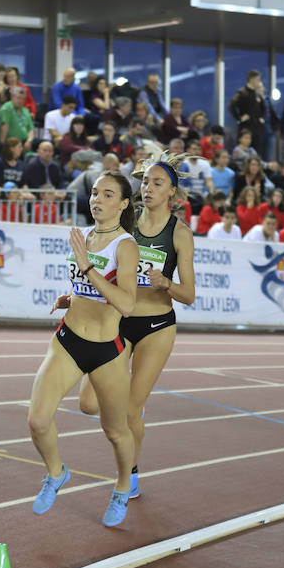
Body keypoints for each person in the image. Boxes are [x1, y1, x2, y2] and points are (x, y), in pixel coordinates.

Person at [76, 153, 196, 502]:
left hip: (156, 326)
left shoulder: (180, 234)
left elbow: (188, 294)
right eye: (145, 182)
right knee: (87, 404)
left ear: (172, 192)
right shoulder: (123, 227)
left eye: (157, 184)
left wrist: (165, 283)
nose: (148, 189)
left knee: (127, 414)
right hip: (117, 321)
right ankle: (134, 405)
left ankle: (128, 474)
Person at [29, 171, 138, 527]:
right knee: (38, 419)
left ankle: (122, 487)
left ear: (123, 204)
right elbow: (86, 285)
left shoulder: (125, 246)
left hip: (107, 349)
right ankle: (56, 473)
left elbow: (125, 304)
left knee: (115, 430)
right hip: (69, 339)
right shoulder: (85, 236)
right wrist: (70, 297)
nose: (97, 199)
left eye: (107, 194)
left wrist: (87, 266)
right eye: (94, 193)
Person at [228, 70, 278, 159]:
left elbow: (264, 108)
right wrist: (239, 118)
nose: (259, 82)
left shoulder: (256, 93)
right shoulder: (241, 92)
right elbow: (231, 106)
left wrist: (262, 118)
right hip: (245, 128)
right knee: (243, 153)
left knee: (256, 154)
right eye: (258, 79)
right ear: (252, 79)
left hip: (257, 129)